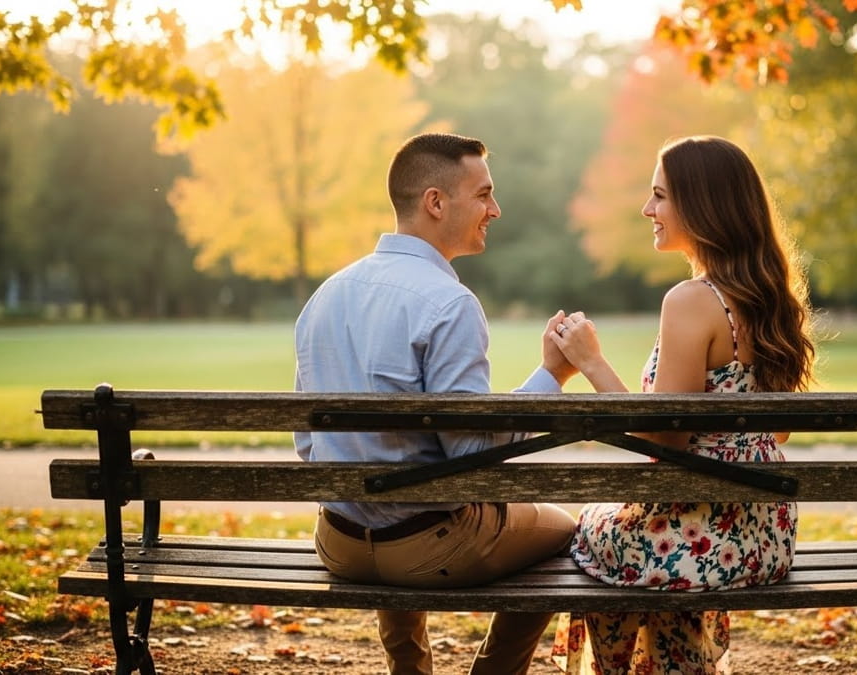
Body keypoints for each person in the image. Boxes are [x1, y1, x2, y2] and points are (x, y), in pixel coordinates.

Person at [293, 132, 578, 675]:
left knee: (395, 498)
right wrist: (551, 376)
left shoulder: (326, 294)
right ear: (435, 202)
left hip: (339, 544)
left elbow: (309, 443)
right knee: (565, 532)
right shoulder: (449, 303)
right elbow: (471, 455)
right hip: (429, 550)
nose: (495, 209)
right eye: (484, 194)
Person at [548, 135, 816, 674]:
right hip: (766, 538)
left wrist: (591, 362)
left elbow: (663, 440)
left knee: (585, 532)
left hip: (703, 537)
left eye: (660, 196)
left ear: (701, 205)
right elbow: (777, 433)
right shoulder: (768, 297)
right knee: (617, 524)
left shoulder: (692, 300)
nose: (647, 209)